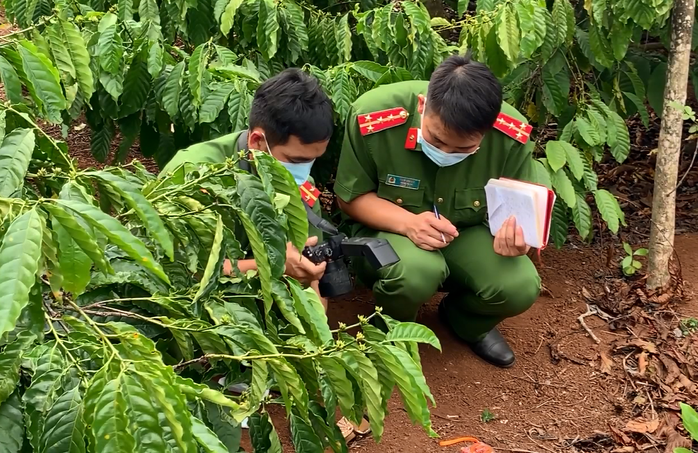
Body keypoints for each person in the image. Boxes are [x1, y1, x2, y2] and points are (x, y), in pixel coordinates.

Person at [333, 54, 541, 368]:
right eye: (436, 139)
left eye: (463, 149)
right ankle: (392, 330)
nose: (445, 153)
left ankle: (464, 321)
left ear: (488, 130)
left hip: (466, 232)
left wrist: (519, 238)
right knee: (415, 272)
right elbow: (350, 198)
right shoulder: (373, 116)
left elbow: (522, 209)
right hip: (386, 230)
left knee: (520, 286)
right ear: (422, 106)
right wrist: (407, 224)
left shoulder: (510, 135)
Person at [160, 68, 332, 305]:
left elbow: (312, 282)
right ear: (257, 141)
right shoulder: (193, 174)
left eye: (313, 159)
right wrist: (275, 267)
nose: (305, 171)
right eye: (296, 161)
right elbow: (174, 269)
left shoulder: (300, 187)